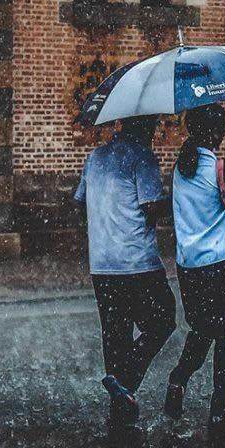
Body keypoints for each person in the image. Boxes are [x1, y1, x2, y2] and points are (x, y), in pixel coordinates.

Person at [73, 115, 175, 425]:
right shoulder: (142, 156)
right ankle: (126, 380)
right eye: (153, 129)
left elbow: (80, 201)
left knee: (115, 332)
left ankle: (120, 407)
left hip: (102, 262)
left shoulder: (95, 157)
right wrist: (176, 200)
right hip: (136, 261)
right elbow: (151, 206)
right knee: (163, 319)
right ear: (145, 128)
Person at [164, 104, 225, 429]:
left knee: (202, 328)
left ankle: (180, 377)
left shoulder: (180, 168)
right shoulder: (221, 168)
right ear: (216, 132)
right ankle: (220, 406)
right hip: (220, 263)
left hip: (188, 265)